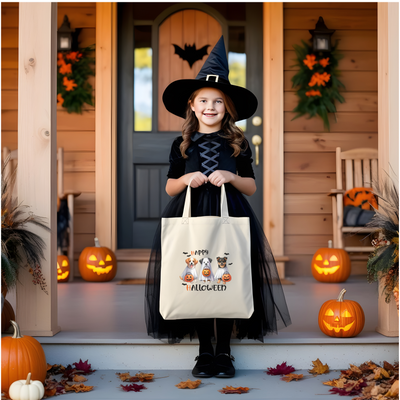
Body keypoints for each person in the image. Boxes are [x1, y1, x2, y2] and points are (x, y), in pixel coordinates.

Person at [145, 36, 291, 379]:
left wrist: (230, 175)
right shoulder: (181, 144)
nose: (211, 107)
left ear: (228, 108)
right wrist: (187, 179)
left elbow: (251, 186)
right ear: (192, 106)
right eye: (203, 101)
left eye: (218, 102)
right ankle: (203, 351)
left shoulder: (237, 143)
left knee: (225, 279)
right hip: (192, 213)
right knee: (197, 280)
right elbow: (169, 185)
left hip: (231, 215)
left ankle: (224, 350)